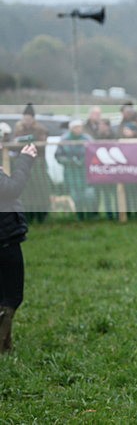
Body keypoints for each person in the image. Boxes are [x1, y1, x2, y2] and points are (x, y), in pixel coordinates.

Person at [0, 140, 38, 353]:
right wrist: (25, 160)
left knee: (3, 295)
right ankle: (2, 347)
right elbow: (12, 190)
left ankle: (5, 345)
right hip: (4, 238)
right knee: (13, 296)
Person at [12, 103, 51, 223]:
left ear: (33, 118)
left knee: (40, 190)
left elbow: (42, 145)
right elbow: (14, 145)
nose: (27, 121)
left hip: (37, 164)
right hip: (24, 165)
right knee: (26, 191)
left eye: (29, 118)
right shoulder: (18, 129)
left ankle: (41, 216)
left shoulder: (40, 129)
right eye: (25, 118)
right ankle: (28, 216)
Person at [55, 120, 97, 220]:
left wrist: (84, 160)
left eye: (79, 127)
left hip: (85, 172)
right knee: (76, 196)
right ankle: (80, 215)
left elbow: (94, 152)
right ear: (71, 128)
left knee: (89, 195)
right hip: (71, 173)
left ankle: (91, 215)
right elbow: (58, 156)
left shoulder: (87, 139)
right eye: (75, 127)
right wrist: (70, 161)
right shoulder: (64, 139)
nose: (78, 129)